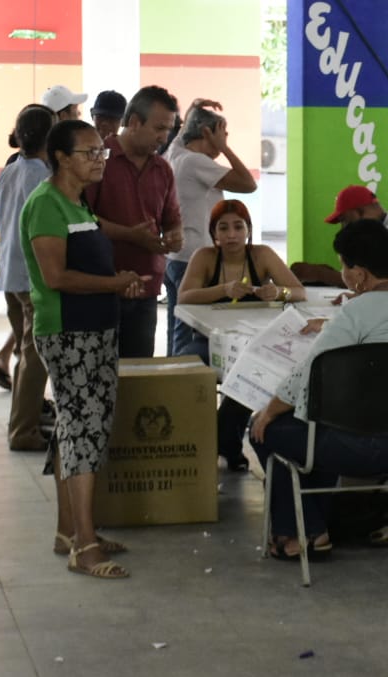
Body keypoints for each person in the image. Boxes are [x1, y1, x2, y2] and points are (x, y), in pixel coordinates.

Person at [249, 218, 388, 560]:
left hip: (361, 447)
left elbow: (307, 376)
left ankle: (301, 533)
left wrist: (268, 410)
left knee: (268, 429)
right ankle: (314, 526)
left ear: (360, 274)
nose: (343, 273)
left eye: (344, 266)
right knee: (317, 423)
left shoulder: (358, 311)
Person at [22, 119, 147, 578]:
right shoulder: (46, 205)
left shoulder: (78, 204)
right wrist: (114, 283)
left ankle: (70, 531)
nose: (100, 160)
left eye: (102, 152)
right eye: (90, 153)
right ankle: (86, 547)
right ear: (60, 157)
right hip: (69, 332)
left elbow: (88, 269)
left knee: (76, 429)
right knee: (84, 432)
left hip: (96, 329)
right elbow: (55, 277)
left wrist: (118, 288)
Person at [178, 199, 305, 471]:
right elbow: (184, 297)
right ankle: (215, 441)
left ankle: (224, 441)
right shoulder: (204, 257)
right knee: (187, 364)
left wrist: (279, 292)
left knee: (250, 371)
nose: (231, 234)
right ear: (213, 233)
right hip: (209, 341)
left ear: (249, 229)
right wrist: (224, 289)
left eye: (238, 226)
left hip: (254, 343)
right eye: (223, 228)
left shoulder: (262, 255)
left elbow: (298, 291)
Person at [85, 85, 183, 357]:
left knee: (138, 376)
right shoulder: (96, 158)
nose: (164, 137)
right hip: (100, 286)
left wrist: (174, 235)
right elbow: (81, 220)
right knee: (99, 374)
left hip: (146, 288)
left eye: (169, 129)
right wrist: (130, 235)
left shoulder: (163, 169)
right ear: (135, 122)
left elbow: (171, 218)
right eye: (159, 128)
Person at [164, 98, 258, 355]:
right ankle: (183, 384)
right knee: (188, 329)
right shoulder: (196, 162)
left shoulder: (175, 153)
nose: (225, 139)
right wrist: (224, 149)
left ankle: (170, 380)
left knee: (177, 326)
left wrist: (194, 108)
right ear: (207, 133)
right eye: (222, 134)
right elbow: (249, 184)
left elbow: (181, 135)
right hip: (193, 258)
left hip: (175, 257)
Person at [0, 105, 57, 451]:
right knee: (35, 358)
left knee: (26, 353)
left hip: (11, 273)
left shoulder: (11, 170)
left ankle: (22, 422)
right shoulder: (42, 177)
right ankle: (23, 431)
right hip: (33, 276)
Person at [292, 185, 388, 286]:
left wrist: (320, 274)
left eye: (344, 220)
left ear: (360, 212)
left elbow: (379, 280)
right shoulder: (375, 231)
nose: (343, 228)